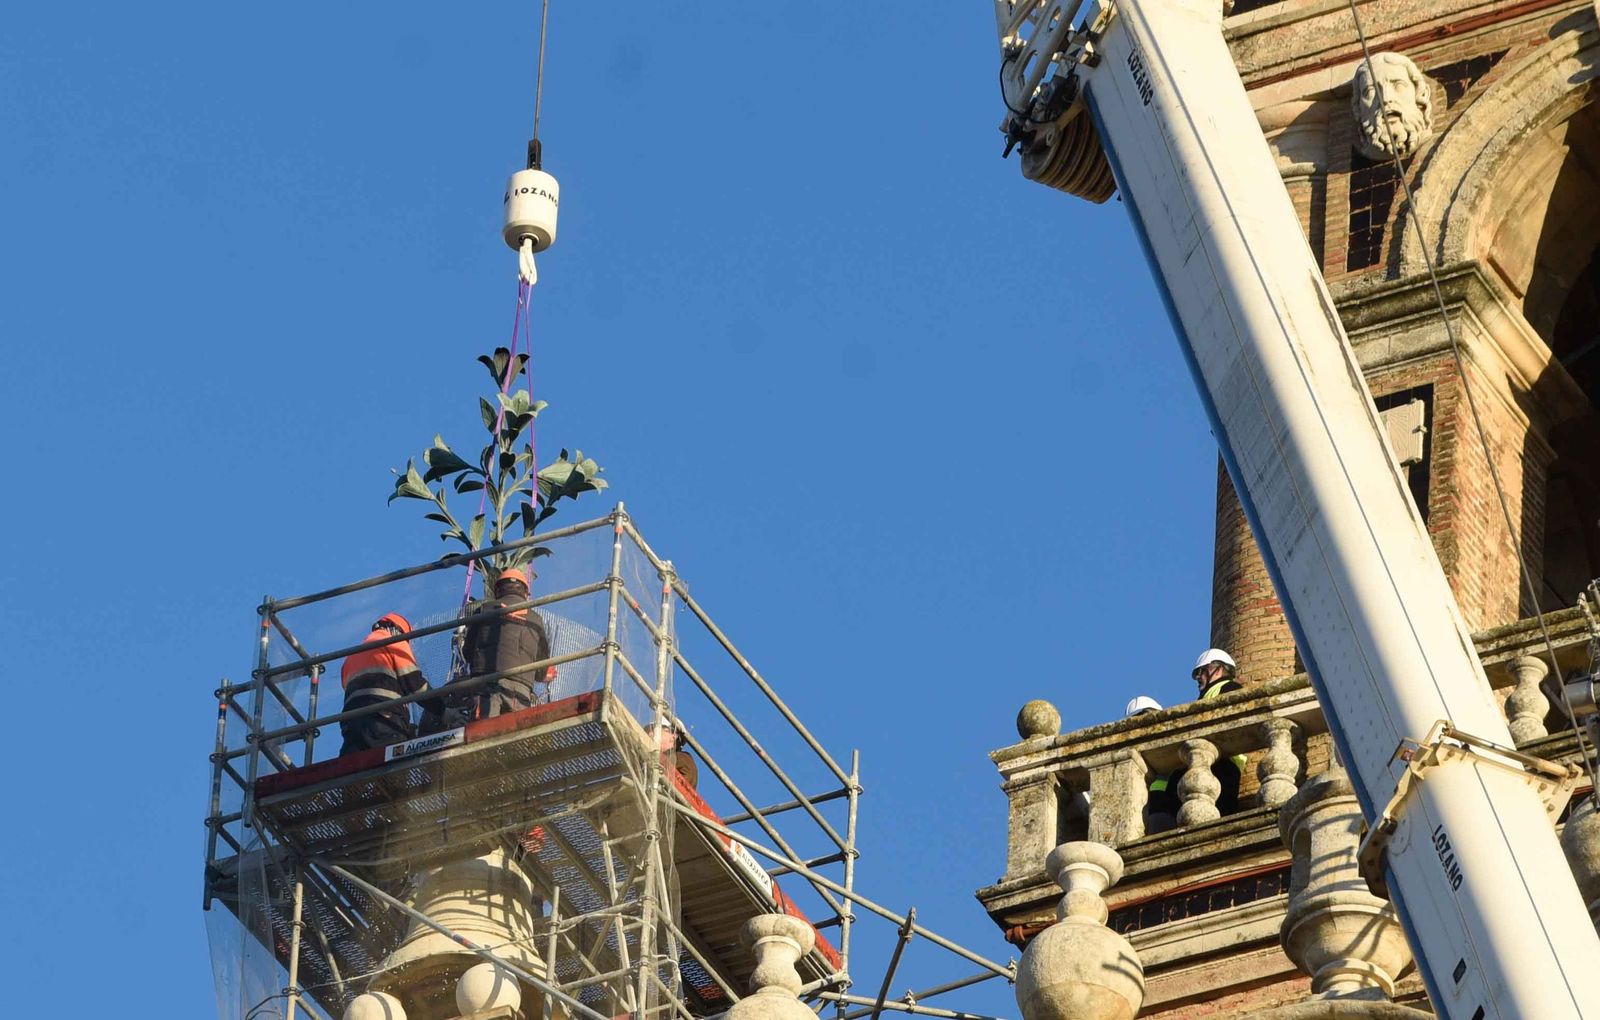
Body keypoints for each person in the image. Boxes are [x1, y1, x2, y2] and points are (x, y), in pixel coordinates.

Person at [1149, 649, 1248, 820]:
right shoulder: (1209, 694)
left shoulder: (1229, 688)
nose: (1198, 677)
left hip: (1222, 764)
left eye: (1202, 671)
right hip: (1212, 765)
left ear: (1218, 669)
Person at [455, 568, 553, 721]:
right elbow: (542, 670)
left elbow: (468, 652)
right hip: (520, 689)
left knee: (482, 733)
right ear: (525, 593)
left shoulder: (484, 610)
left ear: (498, 590)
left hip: (486, 683)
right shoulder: (536, 620)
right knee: (515, 736)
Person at [340, 612, 432, 754]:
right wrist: (442, 709)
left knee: (353, 768)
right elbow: (415, 684)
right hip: (384, 720)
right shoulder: (394, 642)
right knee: (393, 768)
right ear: (398, 630)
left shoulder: (350, 658)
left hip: (352, 726)